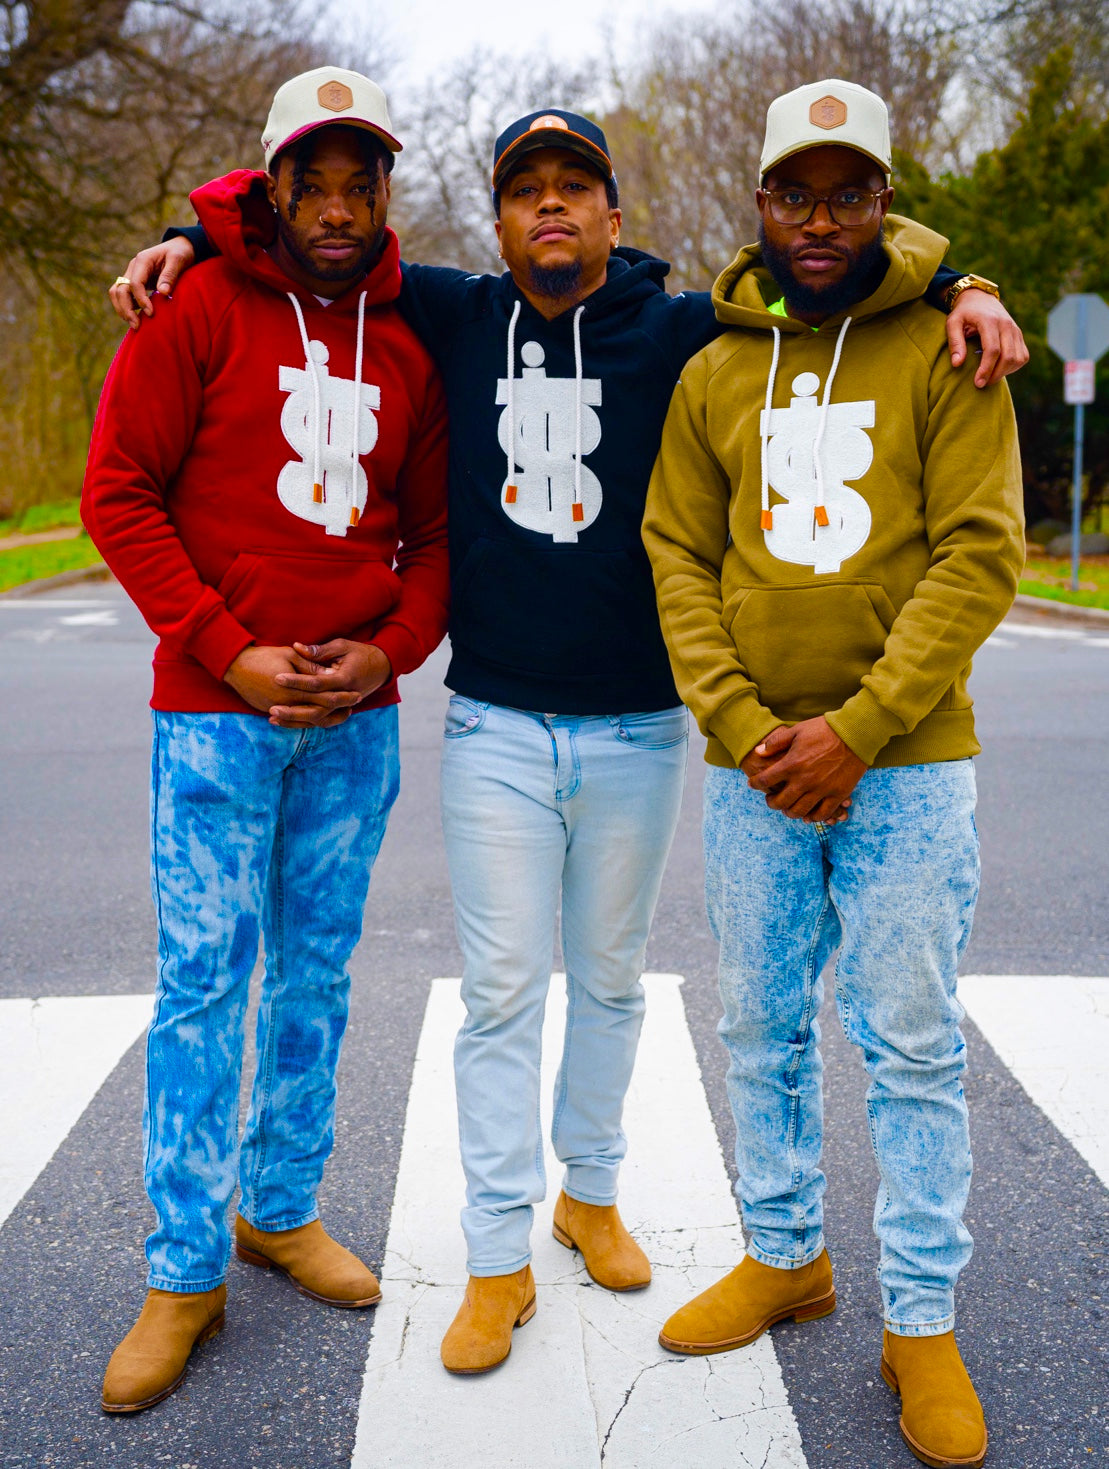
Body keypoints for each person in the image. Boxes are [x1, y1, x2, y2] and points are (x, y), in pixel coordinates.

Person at [109, 103, 1026, 1380]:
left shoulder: (689, 328)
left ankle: (587, 1194)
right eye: (522, 187)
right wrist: (181, 238)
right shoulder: (448, 311)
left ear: (612, 214)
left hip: (645, 726)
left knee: (606, 983)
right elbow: (301, 240)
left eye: (573, 186)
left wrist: (971, 282)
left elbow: (843, 272)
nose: (548, 203)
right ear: (493, 223)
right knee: (496, 995)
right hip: (490, 719)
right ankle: (494, 1258)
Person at [642, 79, 1025, 1468]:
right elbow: (677, 554)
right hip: (750, 764)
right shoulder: (710, 370)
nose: (818, 219)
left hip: (907, 766)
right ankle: (786, 1254)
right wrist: (743, 722)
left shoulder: (949, 351)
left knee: (911, 1042)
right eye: (793, 193)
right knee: (757, 1024)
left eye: (846, 191)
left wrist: (859, 728)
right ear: (757, 205)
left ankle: (920, 1318)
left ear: (883, 199)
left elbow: (982, 552)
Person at [83, 67, 449, 1413]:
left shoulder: (411, 339)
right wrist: (223, 645)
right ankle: (182, 1268)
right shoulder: (194, 306)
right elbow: (117, 490)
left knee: (316, 978)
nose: (341, 207)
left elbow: (436, 535)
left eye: (364, 182)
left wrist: (390, 651)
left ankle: (279, 1206)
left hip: (353, 726)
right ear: (270, 184)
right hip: (214, 718)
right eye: (317, 179)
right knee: (201, 984)